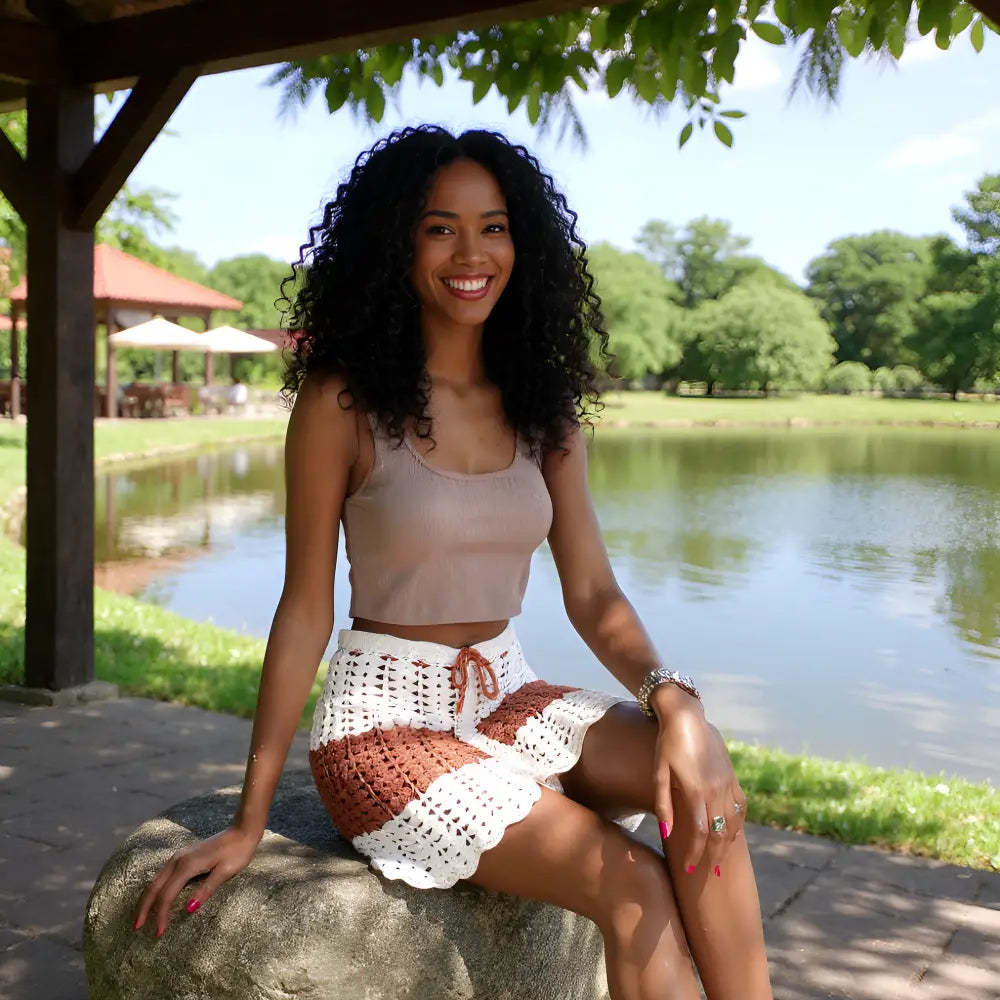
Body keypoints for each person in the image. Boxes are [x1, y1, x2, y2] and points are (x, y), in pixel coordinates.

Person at [134, 126, 773, 1000]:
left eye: (494, 226)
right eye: (440, 228)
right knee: (631, 882)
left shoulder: (544, 411)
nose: (471, 253)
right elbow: (303, 610)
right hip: (384, 729)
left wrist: (677, 702)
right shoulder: (342, 402)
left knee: (708, 801)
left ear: (524, 244)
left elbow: (592, 593)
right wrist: (251, 819)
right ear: (397, 243)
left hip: (511, 696)